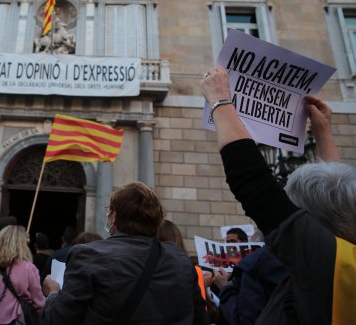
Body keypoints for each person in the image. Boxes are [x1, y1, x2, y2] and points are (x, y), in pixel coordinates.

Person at [200, 65, 356, 324]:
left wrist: (221, 100)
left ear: (307, 217)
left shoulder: (323, 261)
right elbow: (340, 200)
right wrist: (323, 131)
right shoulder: (344, 255)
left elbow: (254, 185)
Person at [42, 182, 207, 324]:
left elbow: (60, 319)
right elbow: (199, 319)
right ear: (159, 220)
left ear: (114, 217)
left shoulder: (88, 256)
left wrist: (53, 294)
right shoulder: (181, 261)